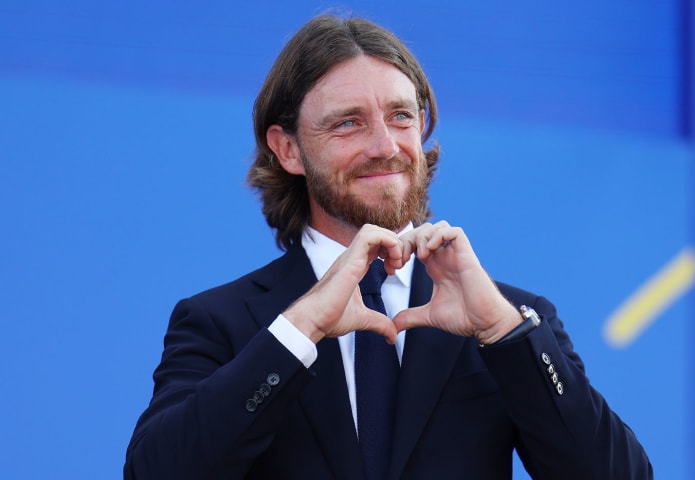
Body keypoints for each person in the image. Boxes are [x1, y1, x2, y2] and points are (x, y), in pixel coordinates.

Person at [124, 14, 652, 480]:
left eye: (402, 116)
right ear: (287, 148)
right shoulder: (221, 322)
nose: (385, 146)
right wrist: (300, 328)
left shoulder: (513, 319)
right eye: (348, 123)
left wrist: (502, 330)